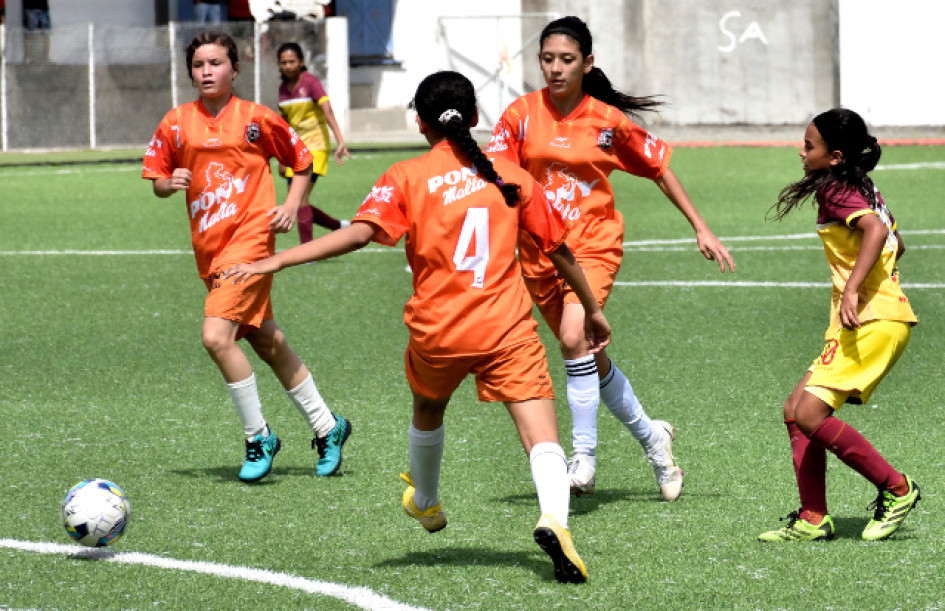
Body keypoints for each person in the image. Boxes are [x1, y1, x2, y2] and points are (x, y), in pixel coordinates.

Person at [223, 70, 612, 584]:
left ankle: (426, 501)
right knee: (541, 435)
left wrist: (277, 261)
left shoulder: (406, 175)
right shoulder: (510, 175)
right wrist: (592, 308)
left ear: (420, 123)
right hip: (507, 328)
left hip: (438, 330)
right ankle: (554, 521)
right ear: (474, 118)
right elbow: (560, 251)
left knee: (428, 408)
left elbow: (360, 234)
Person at [487, 15, 735, 501]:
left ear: (587, 63)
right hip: (541, 256)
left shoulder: (606, 120)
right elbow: (497, 179)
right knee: (586, 358)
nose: (555, 69)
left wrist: (699, 225)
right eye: (547, 59)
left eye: (566, 60)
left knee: (574, 336)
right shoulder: (519, 115)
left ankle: (583, 459)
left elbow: (660, 168)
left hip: (593, 244)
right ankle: (652, 438)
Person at [141, 31, 351, 484]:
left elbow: (302, 160)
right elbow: (156, 178)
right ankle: (328, 427)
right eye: (199, 65)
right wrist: (169, 180)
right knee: (265, 341)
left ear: (235, 70)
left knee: (217, 337)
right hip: (210, 251)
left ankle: (259, 437)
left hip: (252, 242)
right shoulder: (176, 122)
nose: (207, 72)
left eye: (216, 63)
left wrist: (292, 205)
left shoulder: (256, 118)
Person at [758, 108, 920, 542]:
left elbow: (876, 233)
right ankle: (814, 518)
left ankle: (897, 488)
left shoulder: (837, 192)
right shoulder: (862, 186)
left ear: (835, 155)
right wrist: (870, 284)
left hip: (873, 320)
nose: (801, 150)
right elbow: (897, 241)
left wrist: (853, 290)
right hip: (873, 317)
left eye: (809, 145)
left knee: (810, 413)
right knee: (796, 410)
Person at [276, 41, 351, 243]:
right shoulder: (283, 89)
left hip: (316, 146)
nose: (288, 66)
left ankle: (307, 250)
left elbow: (328, 111)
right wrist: (282, 158)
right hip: (296, 148)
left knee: (299, 199)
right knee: (297, 201)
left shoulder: (311, 83)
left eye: (292, 61)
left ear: (301, 61)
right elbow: (283, 126)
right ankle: (339, 226)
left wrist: (340, 140)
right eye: (284, 62)